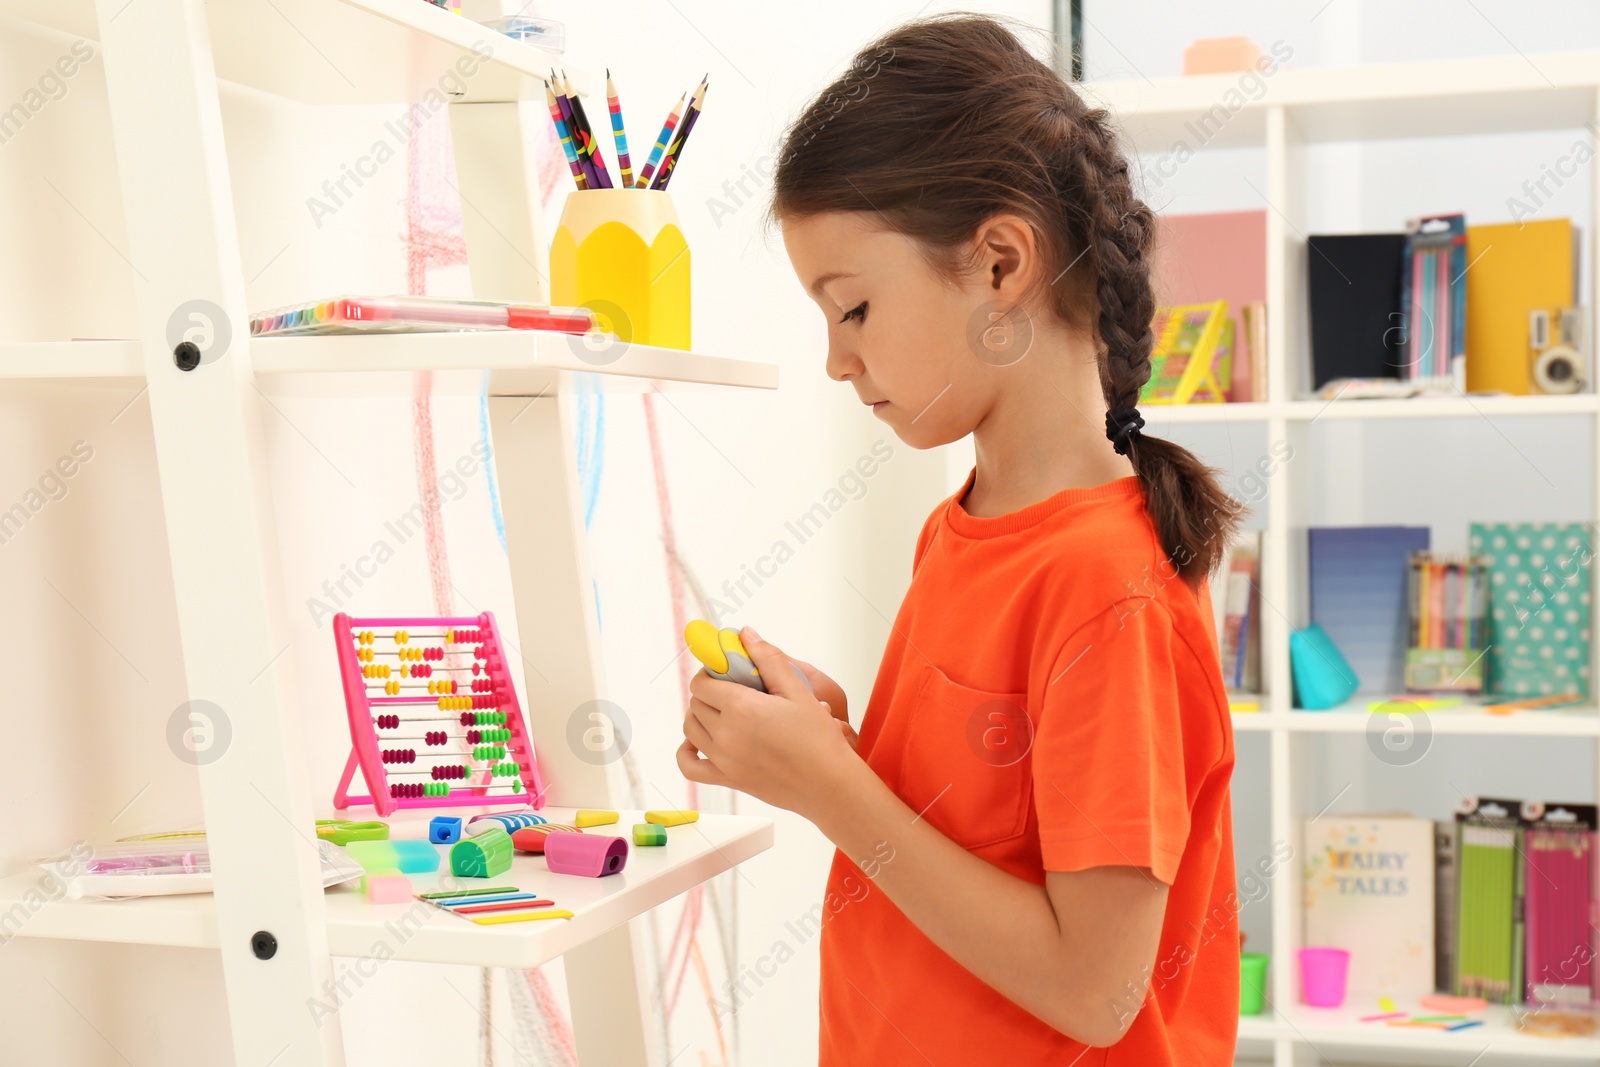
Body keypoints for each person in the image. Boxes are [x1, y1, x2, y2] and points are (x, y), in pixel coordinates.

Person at [679, 13, 1245, 1064]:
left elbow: (1096, 989)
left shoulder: (1105, 585)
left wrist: (831, 789)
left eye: (850, 308)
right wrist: (840, 754)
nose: (837, 362)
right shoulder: (967, 523)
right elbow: (982, 835)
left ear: (997, 265)